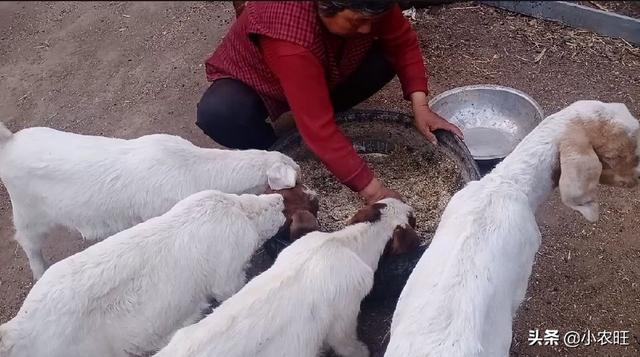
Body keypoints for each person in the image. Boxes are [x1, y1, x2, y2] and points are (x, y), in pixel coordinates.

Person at [197, 0, 463, 204]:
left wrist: (421, 106)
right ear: (327, 7)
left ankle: (319, 112)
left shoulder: (366, 4)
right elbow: (319, 129)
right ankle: (282, 154)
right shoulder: (288, 34)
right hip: (258, 77)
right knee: (221, 113)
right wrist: (374, 191)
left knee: (385, 56)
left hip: (324, 68)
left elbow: (402, 42)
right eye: (357, 21)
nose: (367, 28)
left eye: (372, 20)